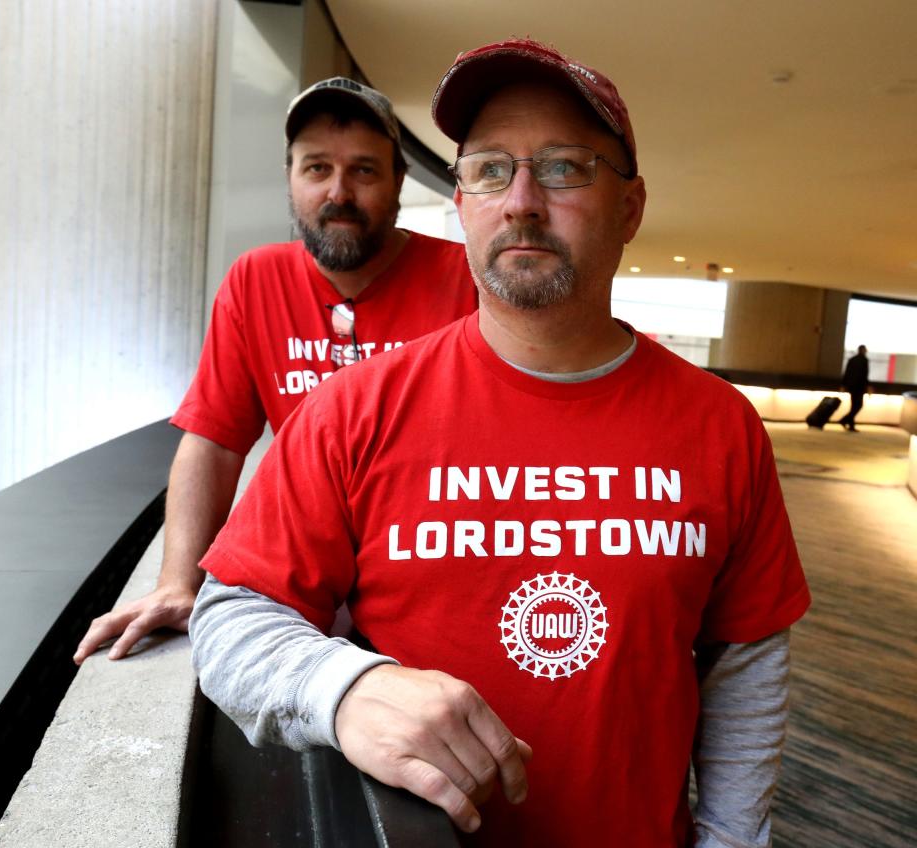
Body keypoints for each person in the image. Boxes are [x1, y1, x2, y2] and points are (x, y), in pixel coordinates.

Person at [190, 39, 811, 848]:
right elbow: (233, 616)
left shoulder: (720, 424)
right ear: (461, 203)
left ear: (630, 208)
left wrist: (732, 840)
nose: (520, 200)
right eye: (490, 169)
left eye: (562, 168)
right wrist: (344, 687)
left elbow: (746, 668)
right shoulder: (354, 409)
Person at [73, 77, 477, 664]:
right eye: (316, 169)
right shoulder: (253, 280)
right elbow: (214, 440)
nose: (338, 192)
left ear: (398, 185)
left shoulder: (464, 279)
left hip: (438, 579)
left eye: (364, 171)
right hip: (308, 587)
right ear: (290, 178)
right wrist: (178, 581)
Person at [839, 344, 870, 432]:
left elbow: (847, 373)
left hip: (852, 386)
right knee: (858, 405)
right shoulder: (865, 360)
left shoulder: (852, 360)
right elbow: (865, 375)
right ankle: (845, 420)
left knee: (853, 405)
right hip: (860, 386)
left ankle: (849, 423)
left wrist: (843, 385)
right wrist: (867, 386)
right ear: (863, 350)